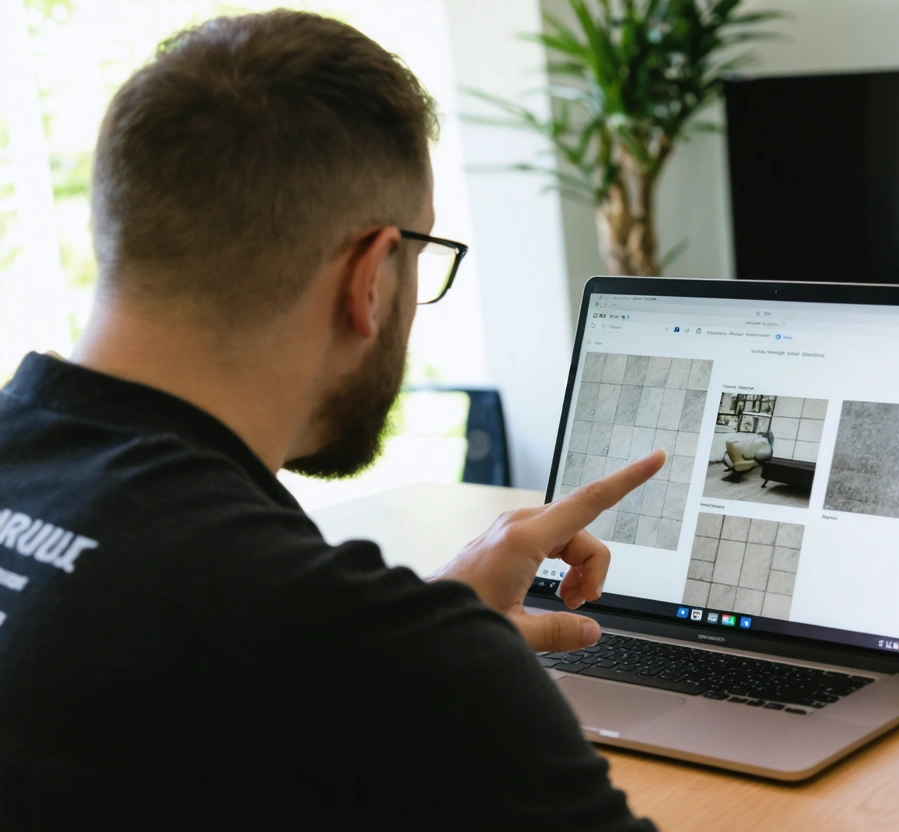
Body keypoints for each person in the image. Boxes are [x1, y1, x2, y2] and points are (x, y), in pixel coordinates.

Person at [0, 10, 662, 830]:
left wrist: (419, 631)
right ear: (372, 275)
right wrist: (430, 657)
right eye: (423, 260)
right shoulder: (370, 659)